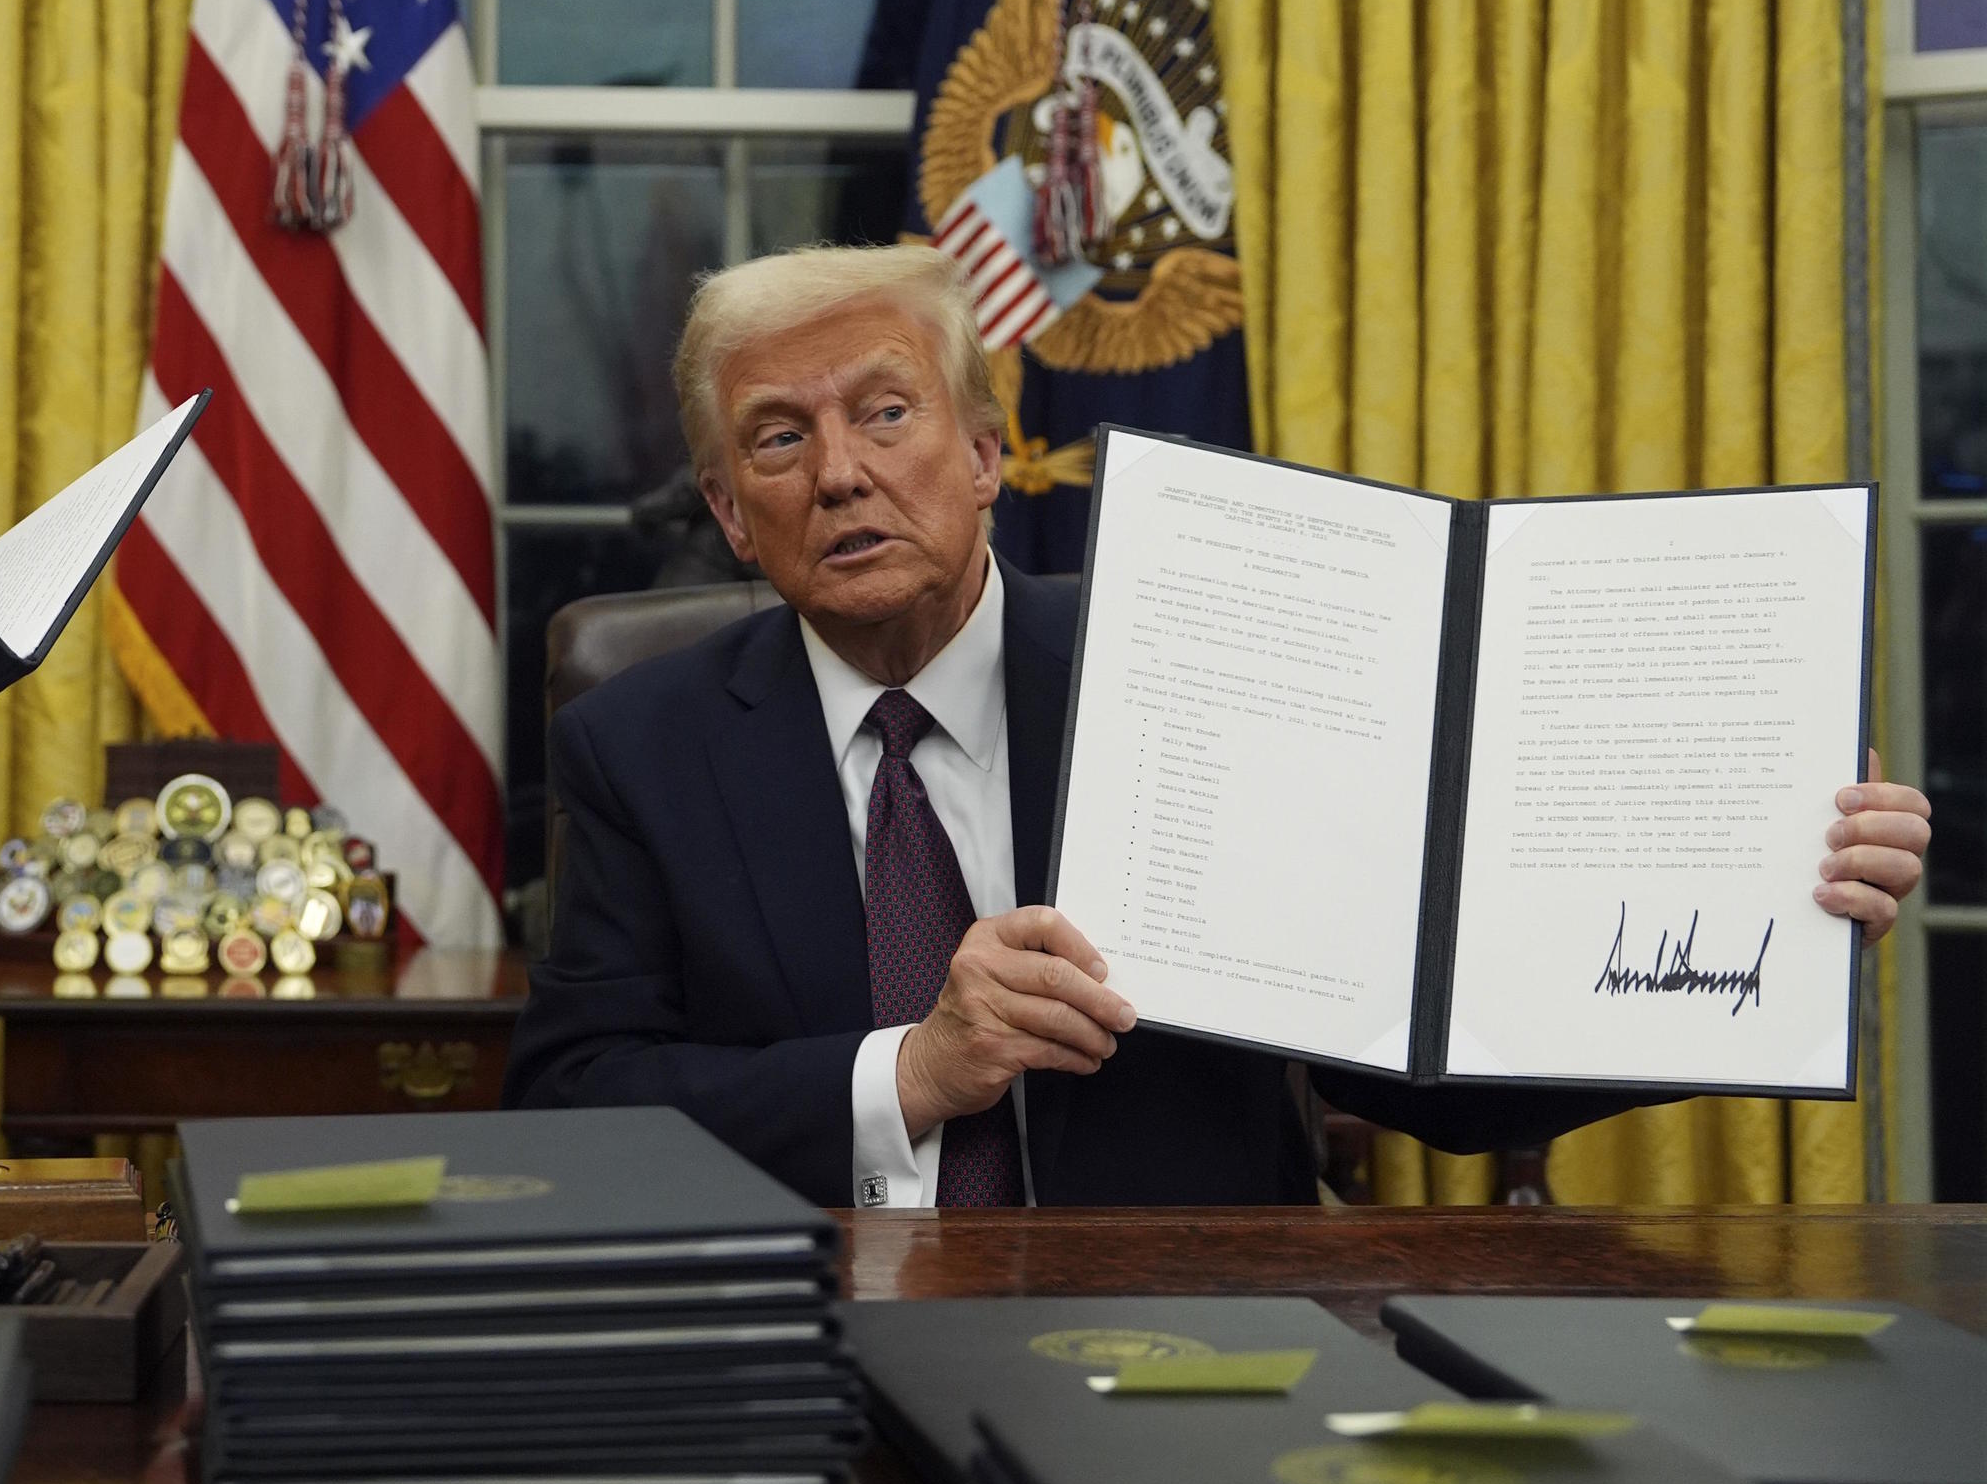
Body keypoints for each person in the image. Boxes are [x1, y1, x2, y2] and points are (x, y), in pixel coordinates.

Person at [503, 246, 1932, 1208]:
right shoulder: (642, 744)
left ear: (988, 453)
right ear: (726, 512)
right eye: (777, 438)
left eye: (887, 412)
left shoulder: (1204, 658)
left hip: (1210, 1331)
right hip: (822, 1333)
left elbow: (1428, 1068)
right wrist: (910, 1072)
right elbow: (576, 1106)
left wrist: (1768, 927)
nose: (840, 474)